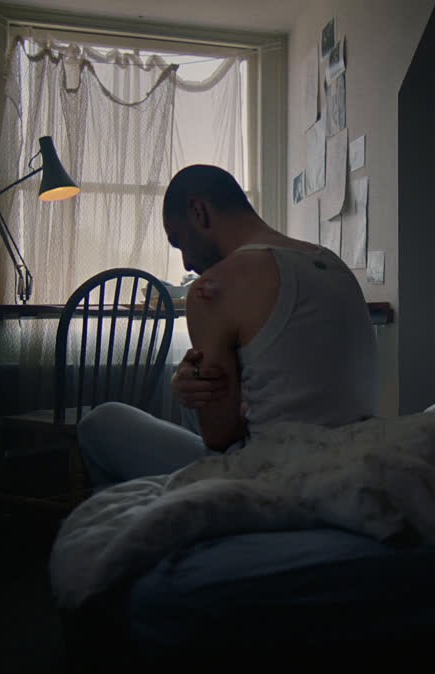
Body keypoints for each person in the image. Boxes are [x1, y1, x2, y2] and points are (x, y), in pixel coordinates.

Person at [76, 164, 377, 491]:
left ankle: (156, 512)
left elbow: (220, 436)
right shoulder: (332, 263)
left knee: (100, 422)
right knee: (191, 397)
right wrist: (196, 385)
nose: (186, 262)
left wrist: (206, 394)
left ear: (199, 211)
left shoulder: (214, 288)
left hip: (270, 475)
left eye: (178, 242)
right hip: (349, 459)